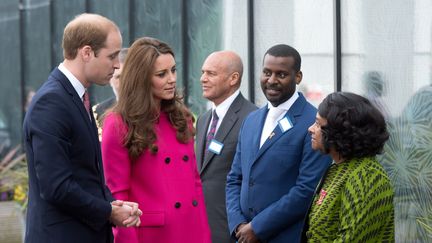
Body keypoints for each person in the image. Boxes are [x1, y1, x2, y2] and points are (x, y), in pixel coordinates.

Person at [23, 13, 142, 243]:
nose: (118, 65)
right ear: (86, 52)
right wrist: (108, 211)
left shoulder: (75, 96)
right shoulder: (52, 102)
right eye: (112, 56)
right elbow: (56, 186)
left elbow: (87, 173)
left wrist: (111, 204)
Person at [101, 37, 211, 243]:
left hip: (191, 229)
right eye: (161, 74)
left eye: (173, 70)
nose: (171, 79)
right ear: (141, 78)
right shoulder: (118, 123)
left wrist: (204, 236)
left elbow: (195, 184)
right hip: (153, 234)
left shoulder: (181, 118)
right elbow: (118, 194)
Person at [226, 44, 331, 243]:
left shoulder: (313, 123)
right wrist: (238, 224)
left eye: (281, 74)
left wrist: (257, 228)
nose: (271, 81)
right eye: (267, 73)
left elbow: (306, 189)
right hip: (242, 236)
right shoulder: (251, 120)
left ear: (298, 77)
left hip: (284, 236)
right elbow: (234, 178)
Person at [303, 91, 394, 242]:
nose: (310, 129)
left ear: (339, 132)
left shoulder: (366, 176)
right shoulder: (340, 168)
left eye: (318, 124)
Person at [196, 50, 257, 243]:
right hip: (199, 227)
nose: (202, 79)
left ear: (233, 78)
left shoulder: (253, 118)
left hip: (232, 231)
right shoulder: (204, 120)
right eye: (203, 72)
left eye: (211, 74)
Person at [93, 47, 128, 141]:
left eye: (128, 76)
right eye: (118, 77)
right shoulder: (96, 113)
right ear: (109, 79)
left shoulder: (153, 111)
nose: (124, 82)